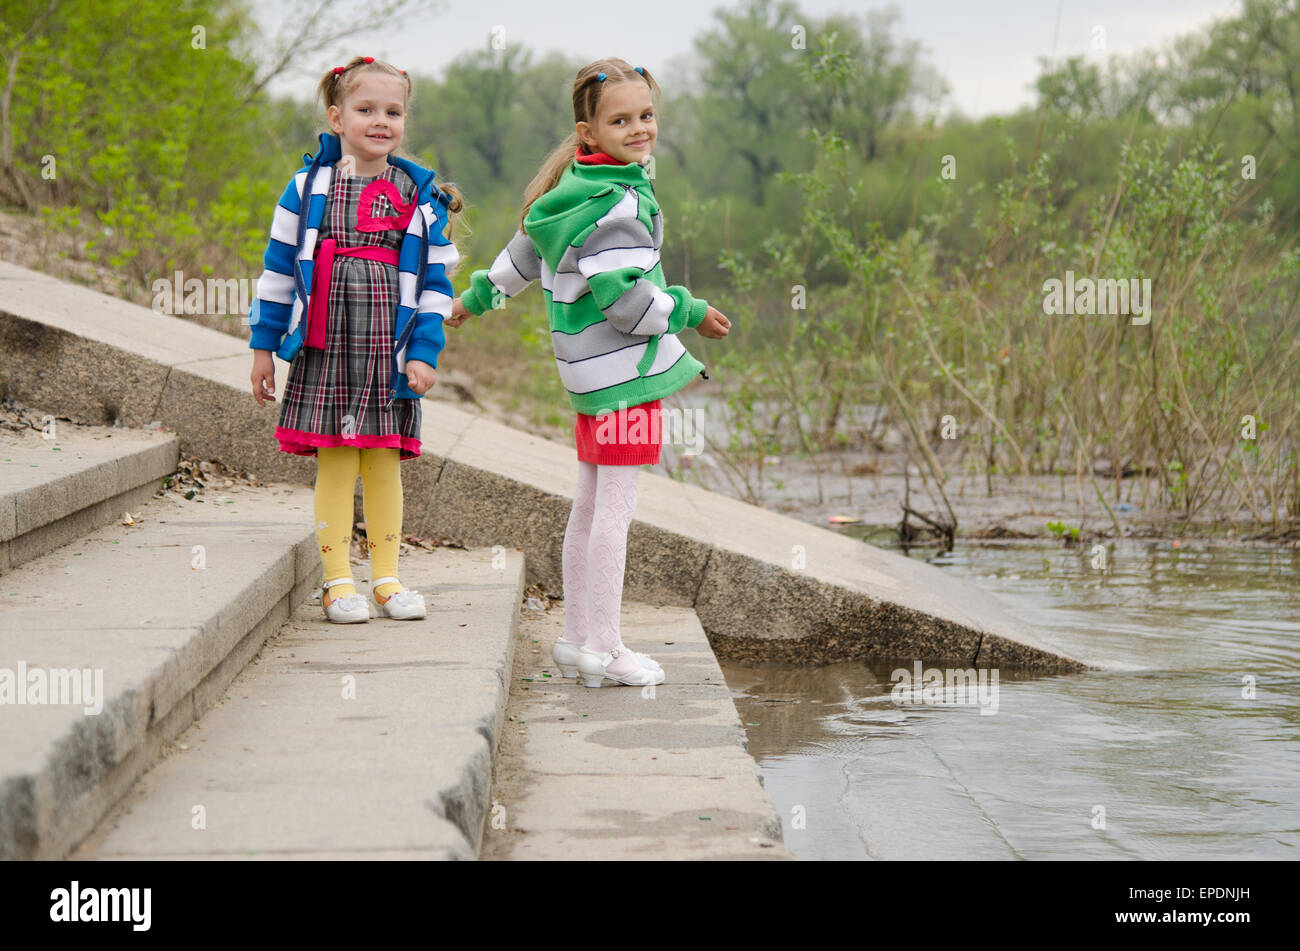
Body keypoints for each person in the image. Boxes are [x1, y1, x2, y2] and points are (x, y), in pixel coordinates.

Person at [447, 57, 731, 686]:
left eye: (647, 116)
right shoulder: (618, 204)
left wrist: (469, 302)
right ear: (588, 132)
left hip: (586, 381)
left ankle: (577, 639)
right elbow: (626, 303)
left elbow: (515, 265)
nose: (639, 129)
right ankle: (605, 646)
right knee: (614, 513)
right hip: (624, 380)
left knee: (590, 503)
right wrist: (691, 310)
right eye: (622, 119)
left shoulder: (564, 196)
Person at [248, 56, 462, 623]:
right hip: (326, 349)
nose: (380, 121)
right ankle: (338, 580)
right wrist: (262, 347)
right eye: (366, 109)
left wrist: (423, 351)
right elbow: (276, 271)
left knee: (385, 464)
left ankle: (387, 577)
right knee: (337, 465)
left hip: (385, 355)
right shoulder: (307, 187)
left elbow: (436, 283)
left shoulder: (417, 194)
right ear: (337, 117)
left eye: (393, 112)